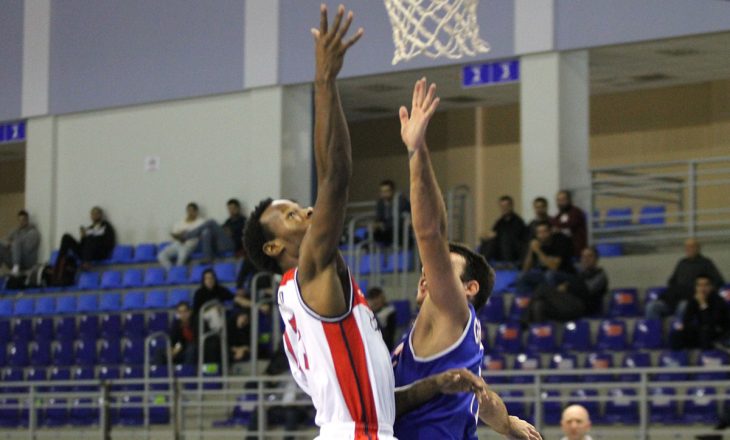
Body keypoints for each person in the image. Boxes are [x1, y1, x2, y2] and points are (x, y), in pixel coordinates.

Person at [243, 9, 494, 438]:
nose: (308, 211)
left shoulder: (307, 313)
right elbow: (336, 176)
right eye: (292, 215)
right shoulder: (312, 270)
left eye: (301, 207)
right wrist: (325, 81)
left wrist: (435, 384)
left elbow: (380, 404)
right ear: (274, 247)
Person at [391, 77, 539, 440]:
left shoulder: (451, 309)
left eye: (442, 266)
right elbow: (483, 397)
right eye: (427, 269)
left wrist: (417, 152)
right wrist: (507, 423)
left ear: (469, 287)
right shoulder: (458, 338)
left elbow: (431, 232)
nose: (427, 272)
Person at [646, 238, 725, 320]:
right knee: (652, 306)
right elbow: (672, 281)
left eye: (691, 246)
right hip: (676, 299)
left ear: (698, 248)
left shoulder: (706, 263)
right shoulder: (682, 263)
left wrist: (703, 293)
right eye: (686, 247)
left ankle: (679, 326)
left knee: (683, 305)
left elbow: (718, 281)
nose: (688, 249)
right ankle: (652, 328)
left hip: (694, 300)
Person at [192, 269, 250, 364]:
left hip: (220, 319)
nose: (209, 280)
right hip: (203, 321)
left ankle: (238, 346)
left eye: (211, 278)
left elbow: (236, 299)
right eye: (207, 278)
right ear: (203, 280)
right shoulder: (199, 293)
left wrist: (253, 305)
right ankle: (221, 336)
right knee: (214, 312)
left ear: (215, 279)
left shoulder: (220, 289)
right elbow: (196, 313)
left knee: (237, 317)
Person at [671, 275, 730, 350]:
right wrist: (685, 328)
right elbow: (687, 320)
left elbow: (711, 323)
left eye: (706, 285)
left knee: (705, 331)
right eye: (699, 285)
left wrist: (703, 304)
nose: (702, 288)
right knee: (677, 334)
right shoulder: (694, 300)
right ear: (696, 287)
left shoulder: (718, 301)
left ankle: (707, 354)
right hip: (702, 330)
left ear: (711, 287)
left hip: (719, 331)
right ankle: (678, 356)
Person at [516, 221, 576, 295]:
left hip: (565, 275)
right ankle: (524, 301)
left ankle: (552, 300)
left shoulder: (560, 241)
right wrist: (531, 250)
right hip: (545, 275)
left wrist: (538, 251)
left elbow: (554, 267)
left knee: (549, 274)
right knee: (521, 276)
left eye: (545, 231)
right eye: (539, 232)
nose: (542, 235)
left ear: (551, 232)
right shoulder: (537, 244)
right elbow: (525, 269)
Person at [55, 206, 116, 271]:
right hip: (85, 253)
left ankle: (86, 263)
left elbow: (108, 242)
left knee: (91, 237)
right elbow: (83, 245)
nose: (94, 215)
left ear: (101, 215)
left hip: (100, 253)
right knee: (66, 237)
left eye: (96, 213)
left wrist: (91, 235)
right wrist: (83, 237)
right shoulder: (89, 229)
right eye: (92, 214)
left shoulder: (106, 226)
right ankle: (59, 264)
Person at [478, 195, 528, 265]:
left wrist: (496, 235)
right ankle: (481, 262)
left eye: (506, 206)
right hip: (500, 249)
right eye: (502, 206)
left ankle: (483, 262)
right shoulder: (500, 222)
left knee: (503, 239)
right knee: (487, 240)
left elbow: (514, 237)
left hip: (513, 250)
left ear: (511, 206)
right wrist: (487, 236)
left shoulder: (518, 221)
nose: (505, 208)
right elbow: (493, 232)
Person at [157, 203, 206, 270]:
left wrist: (188, 234)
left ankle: (177, 272)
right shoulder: (180, 222)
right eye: (188, 211)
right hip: (178, 243)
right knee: (161, 255)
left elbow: (202, 235)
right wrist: (180, 235)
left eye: (192, 211)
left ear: (196, 212)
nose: (190, 213)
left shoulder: (200, 222)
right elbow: (174, 234)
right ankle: (171, 271)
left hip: (189, 245)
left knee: (181, 257)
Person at [0, 210, 40, 275]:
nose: (21, 222)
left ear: (27, 220)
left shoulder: (33, 233)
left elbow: (27, 249)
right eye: (20, 220)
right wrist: (8, 244)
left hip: (27, 261)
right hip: (15, 258)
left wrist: (13, 244)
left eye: (23, 220)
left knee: (16, 242)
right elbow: (4, 239)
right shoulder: (15, 231)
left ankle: (16, 269)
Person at [373, 179, 411, 247]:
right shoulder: (380, 203)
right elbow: (378, 217)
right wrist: (377, 224)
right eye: (382, 191)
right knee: (369, 232)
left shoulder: (401, 201)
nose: (384, 194)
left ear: (392, 191)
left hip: (399, 229)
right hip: (385, 230)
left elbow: (400, 219)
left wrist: (384, 225)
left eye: (386, 191)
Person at [552, 190, 587, 257]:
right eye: (558, 200)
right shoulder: (558, 216)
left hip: (577, 251)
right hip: (564, 252)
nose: (561, 202)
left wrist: (557, 226)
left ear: (569, 200)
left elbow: (570, 224)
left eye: (563, 199)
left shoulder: (576, 212)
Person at [366, 287, 397, 351]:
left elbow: (387, 338)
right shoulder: (365, 313)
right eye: (372, 299)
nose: (374, 301)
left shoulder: (389, 311)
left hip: (385, 349)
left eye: (377, 298)